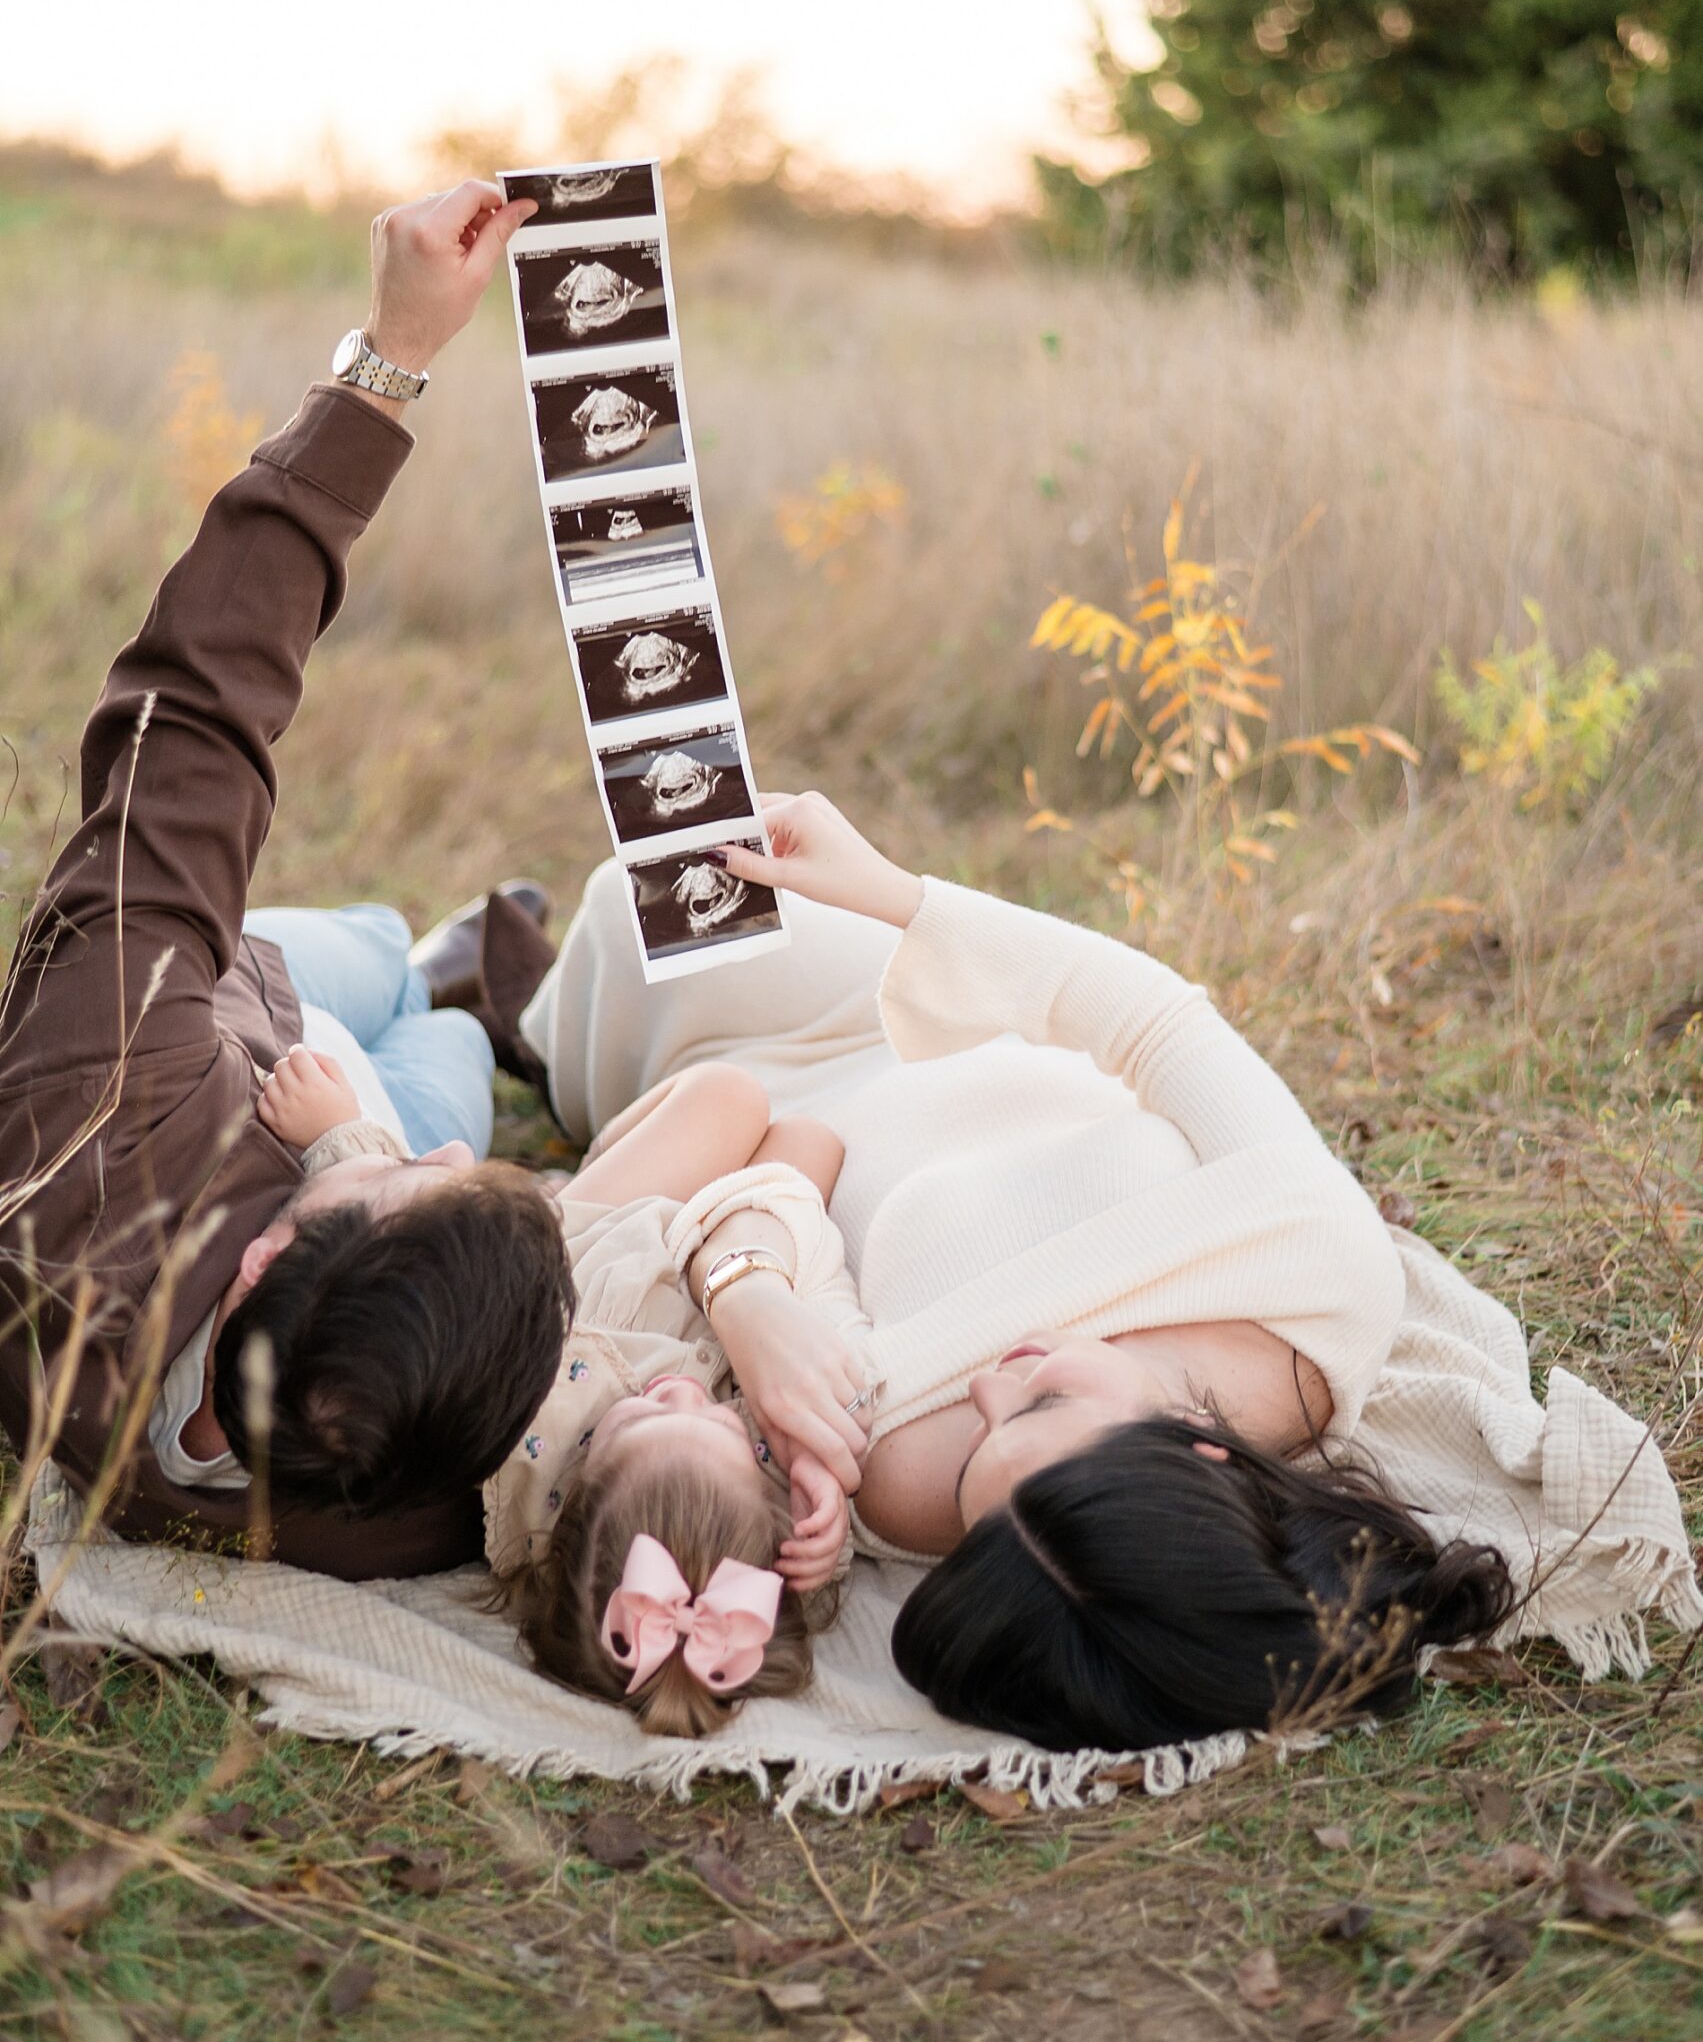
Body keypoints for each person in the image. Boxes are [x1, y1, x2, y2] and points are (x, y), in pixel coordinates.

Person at [513, 791, 1697, 1754]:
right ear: (1198, 1450)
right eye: (1039, 1403)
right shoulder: (1320, 1278)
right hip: (912, 1012)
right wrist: (896, 893)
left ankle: (510, 1003)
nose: (983, 1391)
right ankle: (515, 983)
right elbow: (1149, 1020)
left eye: (985, 1444)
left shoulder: (922, 1487)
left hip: (766, 1097)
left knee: (635, 915)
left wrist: (749, 1296)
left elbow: (773, 1194)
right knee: (680, 866)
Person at [0, 183, 570, 1580]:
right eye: (449, 1174)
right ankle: (461, 999)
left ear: (263, 1262)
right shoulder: (403, 1499)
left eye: (406, 1187)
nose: (443, 1162)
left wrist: (382, 365)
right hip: (295, 1066)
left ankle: (428, 965)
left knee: (360, 957)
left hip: (218, 1016)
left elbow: (190, 722)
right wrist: (365, 1149)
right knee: (430, 1051)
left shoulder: (97, 1097)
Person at [485, 1061, 876, 1738]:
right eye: (723, 1423)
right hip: (737, 1252)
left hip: (597, 1249)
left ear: (570, 1502)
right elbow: (814, 1150)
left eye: (637, 1417)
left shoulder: (522, 1430)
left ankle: (585, 1149)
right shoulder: (765, 1467)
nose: (685, 1393)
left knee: (731, 1096)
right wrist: (818, 1453)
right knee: (806, 1141)